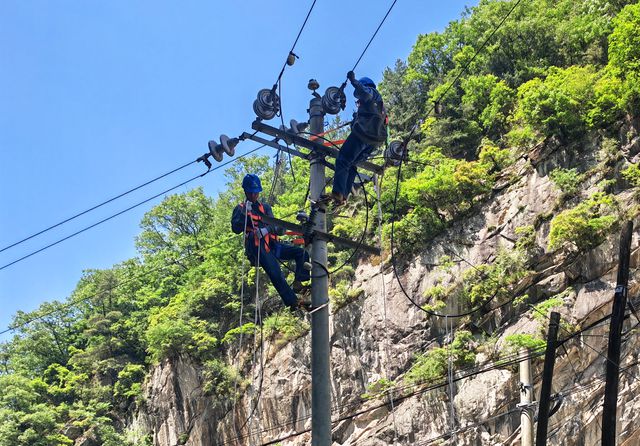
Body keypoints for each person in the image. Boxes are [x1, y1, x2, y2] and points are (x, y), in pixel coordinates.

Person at [231, 174, 311, 311]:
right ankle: (293, 302)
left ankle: (298, 282)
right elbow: (236, 228)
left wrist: (267, 229)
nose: (254, 195)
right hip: (257, 246)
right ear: (245, 191)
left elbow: (278, 227)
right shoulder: (240, 209)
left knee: (300, 253)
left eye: (256, 193)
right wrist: (244, 214)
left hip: (272, 245)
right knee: (275, 272)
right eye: (251, 192)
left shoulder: (265, 208)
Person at [322, 71, 387, 206]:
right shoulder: (379, 107)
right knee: (351, 165)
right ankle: (343, 196)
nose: (358, 103)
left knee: (343, 159)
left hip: (363, 134)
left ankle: (338, 192)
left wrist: (353, 81)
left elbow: (365, 93)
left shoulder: (372, 92)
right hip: (375, 141)